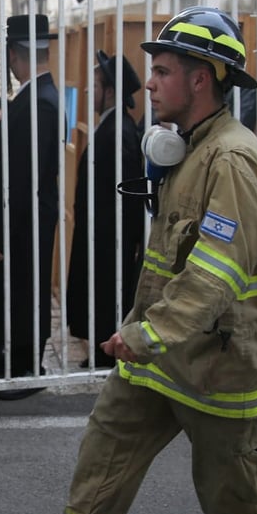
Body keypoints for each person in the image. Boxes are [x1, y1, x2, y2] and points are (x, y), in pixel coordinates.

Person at [10, 7, 257, 514]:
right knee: (112, 433)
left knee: (230, 476)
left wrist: (149, 332)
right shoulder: (189, 149)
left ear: (202, 79)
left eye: (162, 71)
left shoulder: (233, 161)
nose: (151, 83)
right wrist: (145, 330)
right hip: (164, 345)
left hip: (222, 358)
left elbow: (217, 272)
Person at [0, 14, 62, 400]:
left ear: (14, 53)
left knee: (27, 289)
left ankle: (31, 366)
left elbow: (23, 181)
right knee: (17, 288)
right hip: (23, 219)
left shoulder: (41, 102)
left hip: (25, 222)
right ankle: (14, 358)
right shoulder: (36, 96)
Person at [65, 50, 145, 369]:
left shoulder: (119, 132)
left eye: (95, 85)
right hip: (100, 231)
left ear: (110, 91)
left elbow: (127, 193)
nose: (88, 91)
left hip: (110, 237)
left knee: (108, 293)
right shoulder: (111, 126)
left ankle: (106, 354)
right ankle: (101, 349)